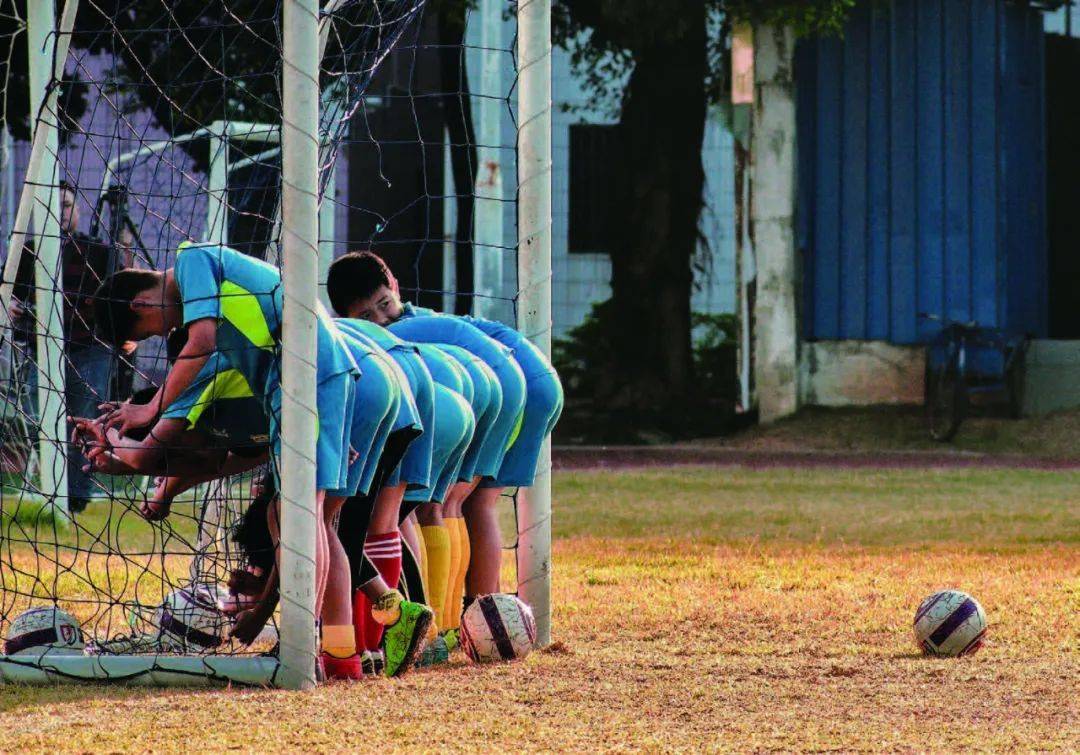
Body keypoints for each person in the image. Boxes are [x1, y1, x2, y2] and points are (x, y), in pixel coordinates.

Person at [91, 242, 432, 678]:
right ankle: (340, 653)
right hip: (323, 378)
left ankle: (303, 648)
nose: (165, 334)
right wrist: (121, 451)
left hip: (314, 377)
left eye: (150, 331)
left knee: (299, 516)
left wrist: (149, 408)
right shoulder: (231, 333)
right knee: (314, 520)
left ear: (141, 303)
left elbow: (199, 344)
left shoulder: (194, 260)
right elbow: (211, 461)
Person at [327, 251, 561, 638]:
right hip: (531, 379)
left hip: (504, 387)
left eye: (385, 305)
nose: (382, 319)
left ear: (396, 288)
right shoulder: (427, 320)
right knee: (463, 502)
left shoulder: (387, 337)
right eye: (367, 316)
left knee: (440, 505)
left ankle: (448, 626)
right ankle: (469, 620)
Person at [6, 181, 128, 512]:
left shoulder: (100, 252)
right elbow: (9, 293)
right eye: (54, 205)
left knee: (83, 420)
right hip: (42, 348)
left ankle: (75, 497)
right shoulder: (28, 251)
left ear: (78, 210)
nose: (61, 212)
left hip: (90, 348)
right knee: (38, 416)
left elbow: (123, 288)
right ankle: (50, 486)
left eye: (68, 205)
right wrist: (10, 304)